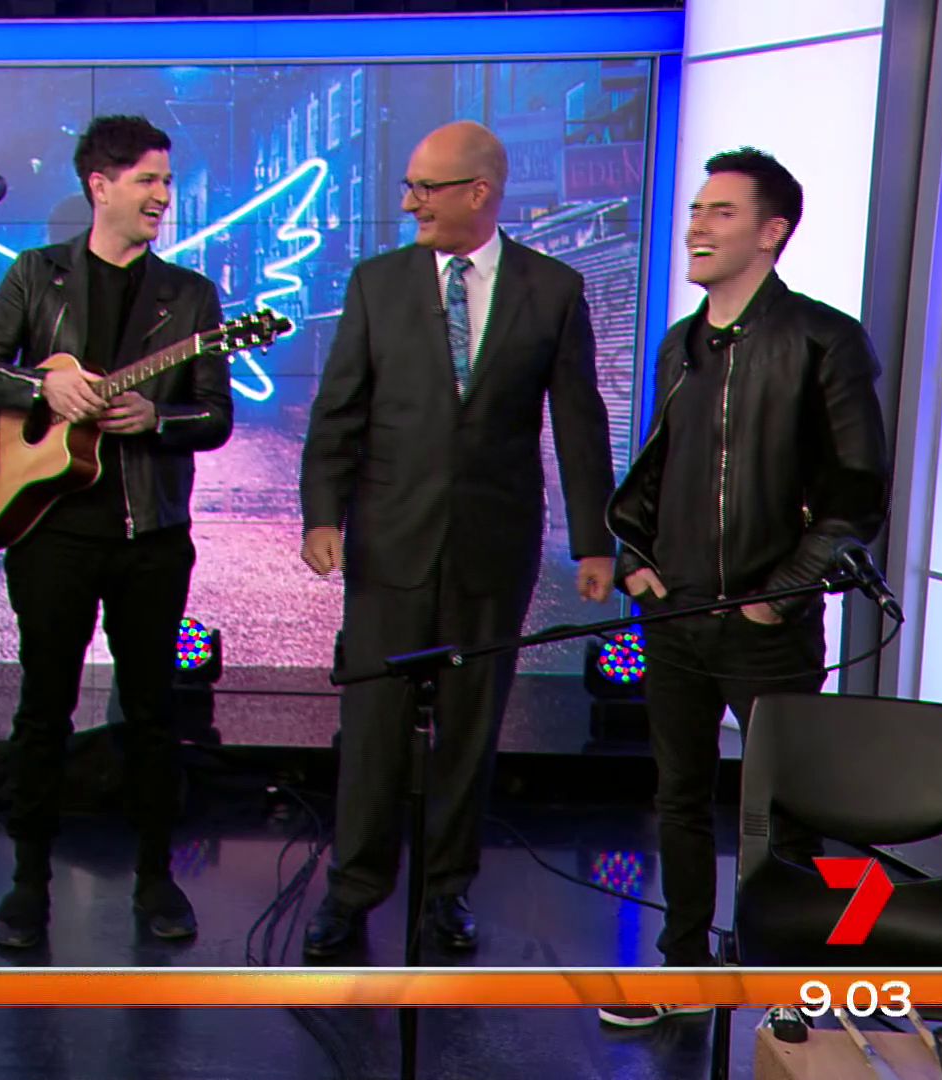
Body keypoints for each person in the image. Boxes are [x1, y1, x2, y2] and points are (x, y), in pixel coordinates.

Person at [298, 120, 616, 958]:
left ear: (479, 193)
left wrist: (595, 541)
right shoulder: (377, 285)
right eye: (408, 186)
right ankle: (352, 891)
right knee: (373, 729)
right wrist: (322, 514)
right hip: (390, 542)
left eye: (424, 188)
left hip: (493, 547)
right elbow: (338, 411)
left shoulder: (553, 289)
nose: (409, 203)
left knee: (470, 730)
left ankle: (446, 892)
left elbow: (579, 422)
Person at [599, 148, 890, 1028]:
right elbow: (655, 470)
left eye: (721, 212)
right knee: (679, 799)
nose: (698, 225)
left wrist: (780, 595)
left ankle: (785, 984)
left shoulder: (824, 340)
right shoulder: (679, 346)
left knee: (783, 813)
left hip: (769, 625)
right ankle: (682, 967)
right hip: (676, 614)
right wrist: (636, 562)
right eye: (697, 210)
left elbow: (856, 495)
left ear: (772, 232)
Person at [0, 115, 232, 950]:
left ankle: (156, 877)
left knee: (154, 709)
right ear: (100, 186)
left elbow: (216, 415)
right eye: (148, 180)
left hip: (151, 534)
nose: (163, 195)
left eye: (167, 181)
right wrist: (42, 391)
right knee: (43, 707)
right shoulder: (36, 275)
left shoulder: (190, 296)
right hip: (49, 528)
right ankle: (28, 884)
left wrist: (159, 417)